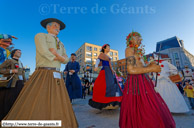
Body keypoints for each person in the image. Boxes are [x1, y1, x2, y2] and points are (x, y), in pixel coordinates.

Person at [1, 18, 78, 128]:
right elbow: (44, 52)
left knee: (59, 101)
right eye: (55, 26)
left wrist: (57, 55)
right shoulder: (41, 36)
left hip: (57, 74)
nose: (58, 28)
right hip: (43, 72)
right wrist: (59, 57)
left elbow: (66, 60)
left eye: (59, 27)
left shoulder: (62, 43)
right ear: (48, 27)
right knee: (38, 101)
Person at [119, 32, 175, 128]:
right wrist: (151, 69)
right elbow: (131, 69)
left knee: (149, 105)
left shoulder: (138, 52)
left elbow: (141, 66)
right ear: (130, 39)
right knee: (139, 105)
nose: (140, 39)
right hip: (135, 82)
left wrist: (150, 65)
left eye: (140, 38)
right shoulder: (129, 50)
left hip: (144, 80)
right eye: (137, 37)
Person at [89, 44, 123, 110]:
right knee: (101, 85)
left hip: (109, 72)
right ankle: (104, 101)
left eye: (109, 47)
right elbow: (98, 60)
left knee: (112, 85)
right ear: (104, 48)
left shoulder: (108, 56)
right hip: (104, 71)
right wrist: (96, 66)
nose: (109, 48)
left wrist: (113, 70)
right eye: (108, 47)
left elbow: (110, 65)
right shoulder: (102, 54)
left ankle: (112, 102)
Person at [0, 49, 26, 120]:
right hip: (12, 84)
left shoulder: (20, 62)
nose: (20, 53)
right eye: (18, 52)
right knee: (9, 101)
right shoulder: (9, 61)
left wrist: (25, 82)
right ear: (13, 53)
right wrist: (11, 71)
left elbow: (22, 73)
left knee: (17, 101)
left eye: (21, 52)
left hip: (20, 84)